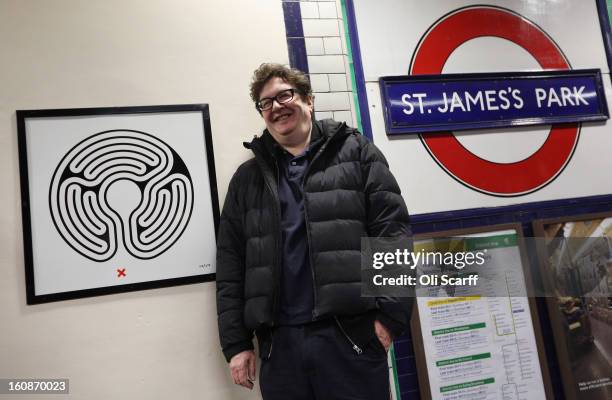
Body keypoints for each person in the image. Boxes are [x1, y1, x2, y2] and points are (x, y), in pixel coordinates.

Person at [216, 63, 412, 399]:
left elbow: (391, 236)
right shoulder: (247, 180)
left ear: (309, 100)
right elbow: (231, 264)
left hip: (349, 339)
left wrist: (390, 317)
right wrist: (236, 344)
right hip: (281, 347)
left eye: (285, 95)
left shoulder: (358, 154)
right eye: (266, 103)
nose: (276, 107)